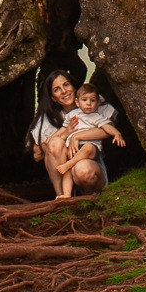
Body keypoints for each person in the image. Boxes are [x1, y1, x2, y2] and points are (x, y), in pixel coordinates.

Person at [28, 69, 115, 199]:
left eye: (66, 85)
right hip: (64, 169)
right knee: (55, 142)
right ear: (53, 98)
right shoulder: (50, 117)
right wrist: (66, 133)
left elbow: (109, 129)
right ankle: (62, 198)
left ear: (74, 86)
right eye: (57, 89)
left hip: (89, 165)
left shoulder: (90, 101)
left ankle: (90, 198)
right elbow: (37, 154)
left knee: (83, 170)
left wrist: (77, 136)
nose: (64, 91)